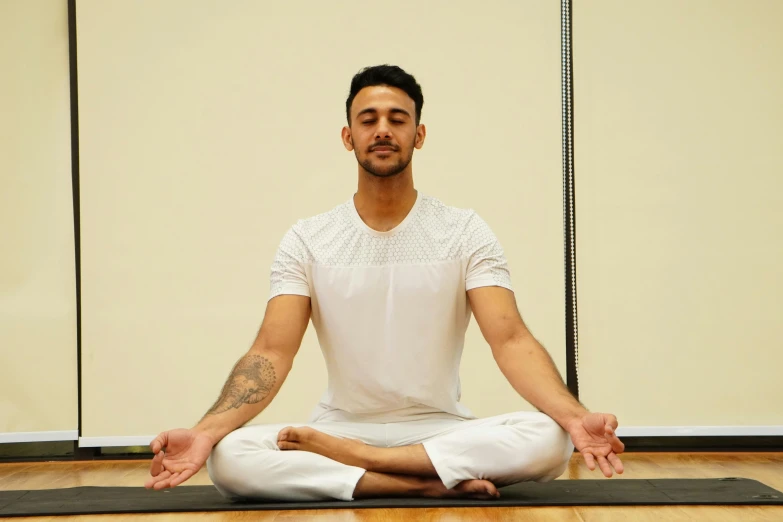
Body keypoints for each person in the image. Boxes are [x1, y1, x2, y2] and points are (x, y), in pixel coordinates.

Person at [144, 64, 625, 502]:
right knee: (230, 457)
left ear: (418, 135)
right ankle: (418, 482)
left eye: (397, 119)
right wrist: (205, 433)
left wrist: (574, 418)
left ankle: (371, 468)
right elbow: (271, 352)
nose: (382, 129)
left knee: (550, 440)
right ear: (347, 136)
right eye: (368, 118)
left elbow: (511, 339)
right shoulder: (308, 238)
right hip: (339, 428)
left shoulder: (463, 230)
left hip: (437, 429)